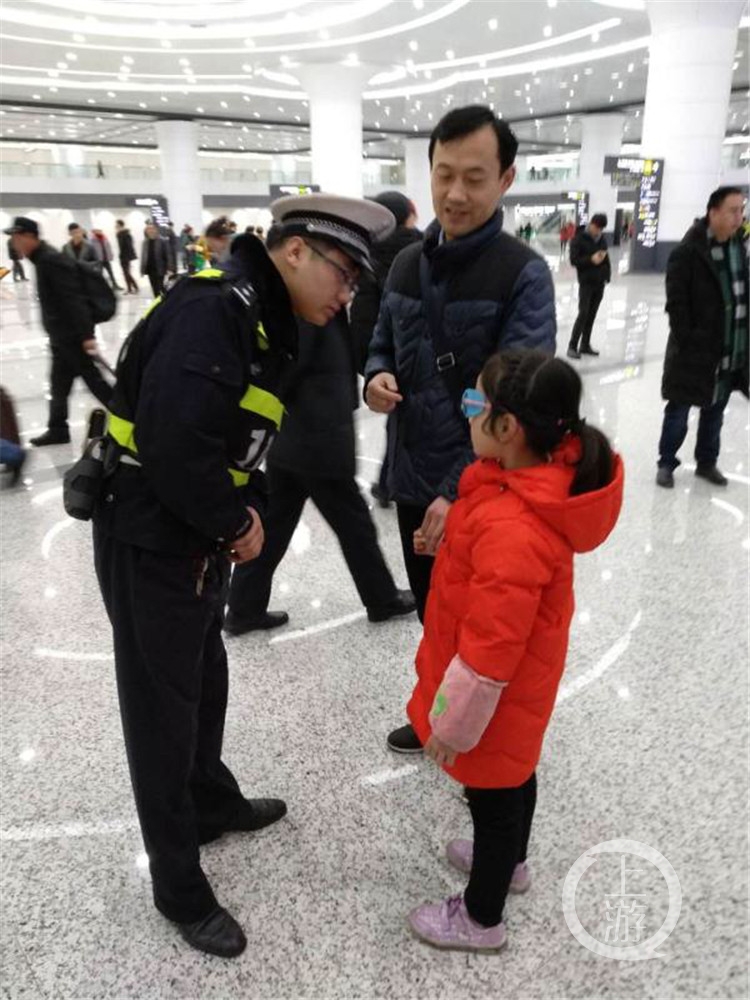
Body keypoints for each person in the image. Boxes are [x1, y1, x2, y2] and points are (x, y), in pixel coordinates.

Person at [92, 193, 395, 960]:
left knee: (204, 682)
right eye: (343, 273)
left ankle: (209, 803)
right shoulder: (213, 311)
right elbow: (173, 444)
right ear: (294, 252)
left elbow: (249, 437)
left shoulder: (267, 321)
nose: (347, 293)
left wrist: (249, 507)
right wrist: (235, 523)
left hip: (193, 538)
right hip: (150, 536)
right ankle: (178, 887)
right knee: (161, 715)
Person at [405, 349, 623, 952]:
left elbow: (491, 649)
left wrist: (452, 726)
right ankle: (512, 862)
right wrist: (452, 549)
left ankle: (482, 917)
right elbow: (496, 584)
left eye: (473, 402)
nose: (465, 411)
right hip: (515, 692)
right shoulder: (514, 489)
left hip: (491, 699)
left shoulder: (514, 526)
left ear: (508, 428)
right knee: (514, 776)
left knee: (493, 797)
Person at [364, 104, 556, 755]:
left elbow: (516, 403)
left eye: (474, 178)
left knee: (482, 624)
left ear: (506, 179)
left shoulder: (523, 274)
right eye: (444, 174)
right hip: (413, 476)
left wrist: (456, 490)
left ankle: (483, 744)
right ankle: (437, 715)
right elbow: (382, 340)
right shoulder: (404, 266)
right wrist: (375, 376)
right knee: (432, 610)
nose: (455, 193)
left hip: (483, 492)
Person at [225, 301, 416, 635]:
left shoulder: (314, 300)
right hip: (317, 437)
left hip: (297, 437)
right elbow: (292, 364)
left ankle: (243, 607)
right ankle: (382, 598)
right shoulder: (310, 306)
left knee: (275, 525)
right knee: (355, 525)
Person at [656, 186, 749, 489]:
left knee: (715, 411)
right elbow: (677, 304)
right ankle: (666, 463)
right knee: (678, 411)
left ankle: (706, 462)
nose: (739, 217)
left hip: (729, 348)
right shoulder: (687, 252)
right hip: (692, 351)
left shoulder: (738, 248)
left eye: (741, 210)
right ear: (713, 212)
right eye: (733, 211)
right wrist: (689, 339)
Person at [3, 217, 112, 447]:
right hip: (62, 337)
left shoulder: (50, 260)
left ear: (30, 237)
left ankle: (127, 415)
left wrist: (87, 336)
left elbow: (73, 299)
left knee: (94, 382)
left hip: (72, 337)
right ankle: (58, 429)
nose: (14, 243)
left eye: (17, 238)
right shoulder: (42, 259)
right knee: (59, 385)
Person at [350, 190, 422, 508]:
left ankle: (386, 482)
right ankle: (387, 482)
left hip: (383, 360)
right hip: (421, 358)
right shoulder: (425, 251)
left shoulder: (366, 256)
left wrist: (373, 367)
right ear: (410, 215)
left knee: (397, 420)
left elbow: (361, 322)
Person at [567, 212, 611, 359]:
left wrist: (607, 276)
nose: (598, 231)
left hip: (599, 283)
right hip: (586, 282)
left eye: (601, 229)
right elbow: (574, 260)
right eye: (597, 228)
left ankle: (585, 345)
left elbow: (606, 258)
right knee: (583, 313)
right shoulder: (578, 239)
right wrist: (591, 259)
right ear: (591, 224)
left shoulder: (601, 239)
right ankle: (572, 346)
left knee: (592, 315)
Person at [140, 221, 170, 297]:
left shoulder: (162, 241)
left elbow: (168, 255)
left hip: (160, 269)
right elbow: (143, 256)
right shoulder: (145, 242)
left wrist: (170, 268)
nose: (150, 231)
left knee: (160, 287)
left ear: (156, 230)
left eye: (152, 228)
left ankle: (165, 300)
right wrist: (142, 270)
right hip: (150, 270)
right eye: (148, 229)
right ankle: (158, 301)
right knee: (154, 288)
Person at [115, 220, 139, 294]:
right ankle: (130, 288)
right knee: (125, 273)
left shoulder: (125, 234)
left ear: (120, 225)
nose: (115, 226)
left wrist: (128, 256)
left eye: (117, 225)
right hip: (123, 256)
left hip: (126, 256)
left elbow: (129, 246)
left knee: (126, 273)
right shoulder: (119, 234)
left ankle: (134, 287)